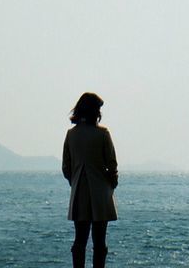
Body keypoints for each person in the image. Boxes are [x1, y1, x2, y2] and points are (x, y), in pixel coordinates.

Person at [61, 91, 118, 268]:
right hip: (101, 193)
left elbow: (66, 166)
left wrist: (75, 181)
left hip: (79, 192)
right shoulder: (102, 134)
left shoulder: (71, 135)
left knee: (80, 240)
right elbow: (112, 164)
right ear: (95, 111)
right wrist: (111, 183)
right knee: (100, 242)